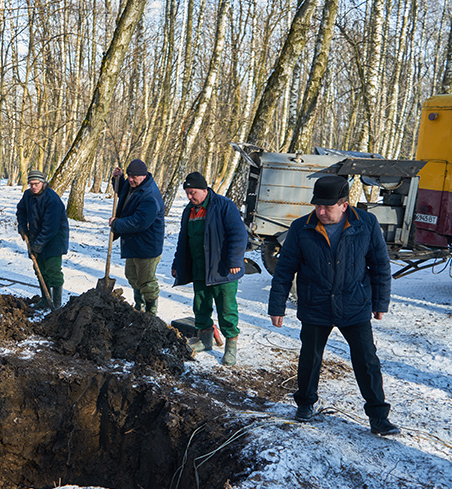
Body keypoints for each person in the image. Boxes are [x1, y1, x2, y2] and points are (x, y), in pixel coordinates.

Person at [268, 174, 400, 436]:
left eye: (327, 207)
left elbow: (380, 265)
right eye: (317, 206)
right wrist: (277, 305)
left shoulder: (366, 223)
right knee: (310, 357)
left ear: (344, 204)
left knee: (367, 360)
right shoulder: (301, 227)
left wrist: (380, 301)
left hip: (354, 303)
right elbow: (284, 269)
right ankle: (305, 404)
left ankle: (378, 416)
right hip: (315, 303)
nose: (321, 212)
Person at [171, 171, 247, 366]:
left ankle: (231, 346)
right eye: (187, 193)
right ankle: (205, 341)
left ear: (204, 190)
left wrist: (235, 261)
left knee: (227, 308)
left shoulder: (223, 206)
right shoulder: (189, 210)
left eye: (193, 192)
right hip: (199, 268)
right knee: (201, 305)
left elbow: (238, 235)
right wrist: (176, 264)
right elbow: (183, 240)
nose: (190, 197)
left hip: (222, 269)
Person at [109, 159, 165, 314]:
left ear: (144, 176)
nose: (131, 180)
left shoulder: (150, 196)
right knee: (132, 276)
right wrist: (117, 178)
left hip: (147, 245)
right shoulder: (133, 185)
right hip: (134, 242)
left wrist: (117, 224)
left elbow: (139, 222)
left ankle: (150, 313)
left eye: (134, 177)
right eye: (129, 176)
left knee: (146, 281)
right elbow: (122, 191)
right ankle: (138, 307)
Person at [16, 168, 70, 308]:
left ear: (43, 183)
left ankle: (56, 304)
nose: (33, 187)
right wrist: (22, 227)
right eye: (31, 184)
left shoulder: (52, 199)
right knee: (39, 268)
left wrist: (38, 245)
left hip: (54, 240)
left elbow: (50, 227)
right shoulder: (28, 195)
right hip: (36, 236)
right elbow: (20, 210)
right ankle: (46, 300)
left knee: (53, 269)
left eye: (36, 184)